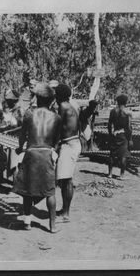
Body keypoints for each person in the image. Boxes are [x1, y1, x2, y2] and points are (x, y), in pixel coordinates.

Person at [13, 83, 61, 233]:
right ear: (52, 101)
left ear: (37, 99)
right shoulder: (56, 117)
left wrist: (20, 149)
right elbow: (57, 141)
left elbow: (22, 136)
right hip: (46, 153)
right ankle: (52, 225)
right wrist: (53, 151)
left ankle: (27, 222)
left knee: (28, 190)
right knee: (50, 192)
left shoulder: (28, 114)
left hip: (31, 153)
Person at [55, 84, 81, 223]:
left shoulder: (63, 106)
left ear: (58, 95)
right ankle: (64, 210)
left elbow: (57, 126)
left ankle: (66, 213)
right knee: (65, 179)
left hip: (69, 145)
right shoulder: (71, 106)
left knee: (66, 180)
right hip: (72, 143)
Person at [108, 94, 133, 179]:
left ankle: (110, 174)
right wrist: (130, 139)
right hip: (123, 135)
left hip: (115, 134)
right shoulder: (127, 112)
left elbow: (109, 124)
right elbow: (129, 127)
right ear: (125, 102)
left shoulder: (113, 111)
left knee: (112, 154)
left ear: (117, 102)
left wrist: (110, 134)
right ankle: (121, 175)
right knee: (123, 155)